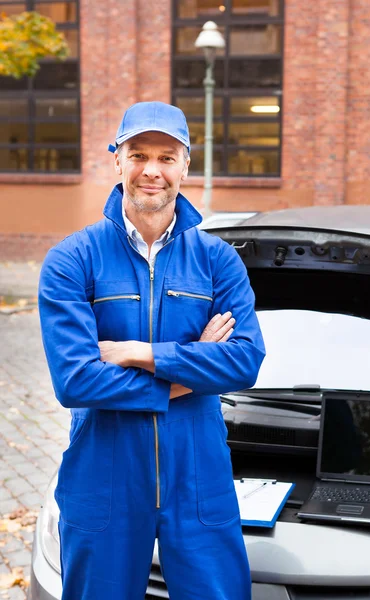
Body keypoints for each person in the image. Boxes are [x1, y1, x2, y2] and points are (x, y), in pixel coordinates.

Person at [38, 101, 266, 600]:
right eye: (138, 154)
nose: (151, 171)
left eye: (166, 157)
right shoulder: (71, 260)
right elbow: (75, 381)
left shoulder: (217, 260)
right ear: (116, 159)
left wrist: (138, 352)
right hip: (103, 475)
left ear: (186, 164)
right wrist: (195, 369)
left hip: (199, 475)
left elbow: (245, 360)